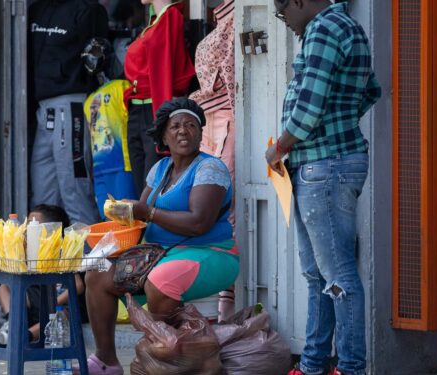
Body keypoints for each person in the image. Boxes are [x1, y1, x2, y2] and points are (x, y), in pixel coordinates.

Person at [264, 1, 380, 374]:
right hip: (325, 163)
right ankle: (314, 364)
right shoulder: (346, 26)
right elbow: (371, 91)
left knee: (337, 275)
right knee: (318, 274)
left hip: (323, 166)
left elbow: (308, 108)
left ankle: (349, 367)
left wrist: (278, 147)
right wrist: (341, 122)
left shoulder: (324, 28)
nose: (286, 24)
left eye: (283, 14)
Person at [84, 98, 238, 375]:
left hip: (211, 252)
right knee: (97, 274)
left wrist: (148, 212)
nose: (183, 131)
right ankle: (106, 361)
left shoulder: (210, 168)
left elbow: (198, 223)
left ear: (201, 133)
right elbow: (140, 217)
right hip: (159, 253)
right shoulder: (160, 169)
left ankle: (169, 361)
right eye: (175, 126)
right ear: (164, 135)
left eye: (191, 125)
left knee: (161, 280)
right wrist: (114, 228)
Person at [29, 0, 108, 225]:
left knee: (74, 189)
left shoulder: (88, 10)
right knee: (43, 195)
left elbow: (99, 58)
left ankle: (89, 257)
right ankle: (46, 258)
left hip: (72, 104)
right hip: (43, 108)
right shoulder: (37, 9)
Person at [0, 205, 89, 344]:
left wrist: (52, 303)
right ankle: (13, 325)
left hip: (62, 302)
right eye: (27, 225)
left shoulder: (62, 250)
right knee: (5, 285)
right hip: (38, 301)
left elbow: (78, 286)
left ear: (52, 230)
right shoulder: (29, 252)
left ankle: (25, 336)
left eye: (33, 226)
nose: (27, 231)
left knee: (62, 314)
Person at [189, 0, 237, 322]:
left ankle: (226, 308)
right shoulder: (222, 24)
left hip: (229, 125)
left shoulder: (239, 23)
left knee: (226, 213)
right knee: (207, 209)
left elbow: (239, 87)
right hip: (209, 125)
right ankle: (212, 307)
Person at [123, 0, 195, 196]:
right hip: (138, 108)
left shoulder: (171, 16)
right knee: (140, 183)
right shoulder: (155, 21)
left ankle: (156, 225)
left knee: (152, 184)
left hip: (154, 106)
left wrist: (163, 118)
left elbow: (164, 68)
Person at [82, 38, 137, 219]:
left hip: (113, 166)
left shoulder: (120, 89)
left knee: (119, 217)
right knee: (117, 218)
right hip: (110, 166)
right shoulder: (121, 89)